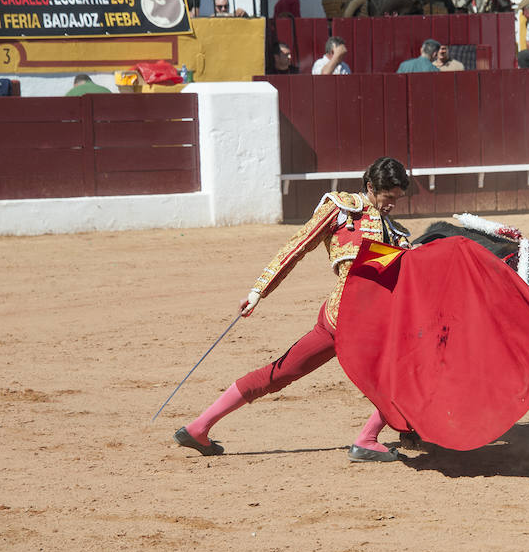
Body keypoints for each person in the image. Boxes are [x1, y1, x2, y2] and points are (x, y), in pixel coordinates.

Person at [173, 157, 412, 462]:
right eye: (387, 197)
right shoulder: (342, 209)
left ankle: (198, 427)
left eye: (397, 199)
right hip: (357, 324)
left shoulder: (395, 233)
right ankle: (367, 439)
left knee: (278, 374)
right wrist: (259, 289)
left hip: (336, 319)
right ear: (370, 187)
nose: (391, 204)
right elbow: (298, 246)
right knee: (407, 370)